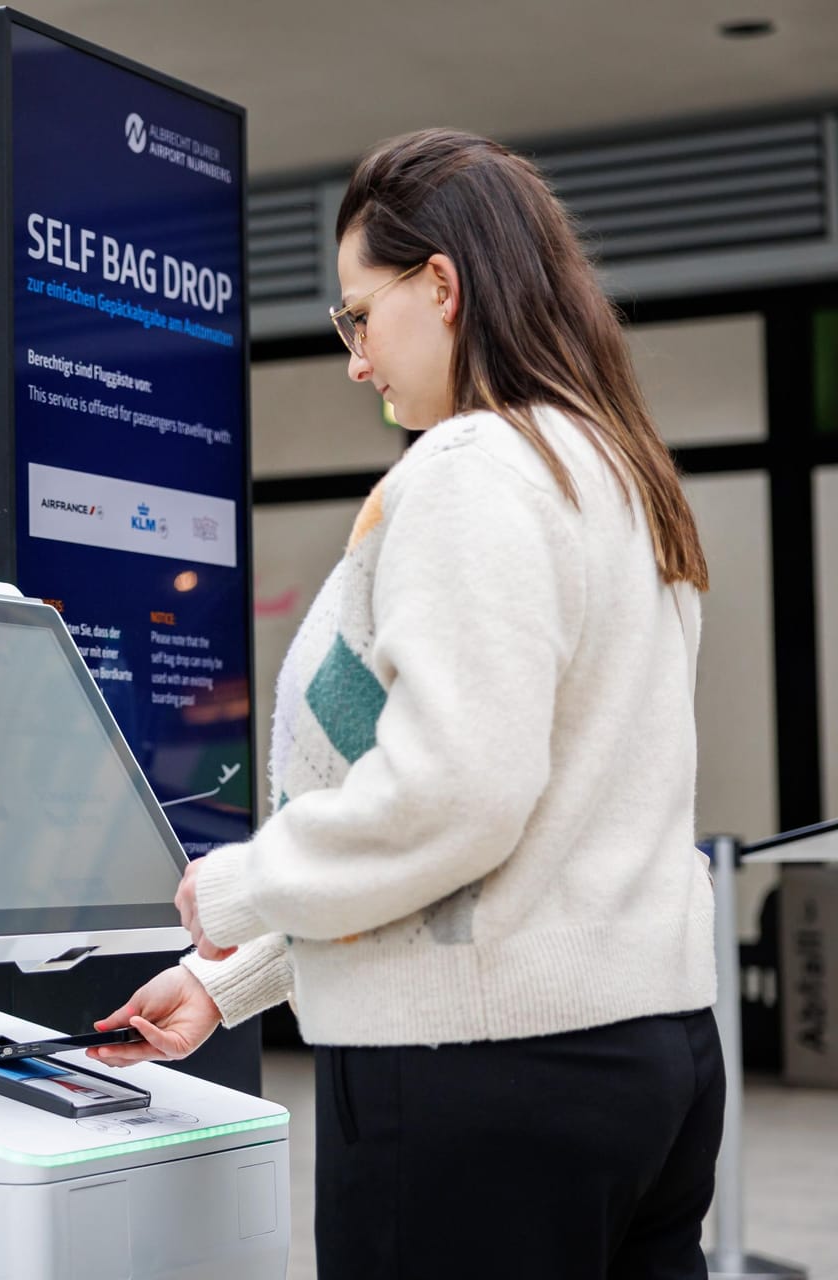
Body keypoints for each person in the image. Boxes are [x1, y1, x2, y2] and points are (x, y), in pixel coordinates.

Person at [90, 128, 725, 1279]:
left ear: (440, 283)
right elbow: (502, 850)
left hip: (483, 1079)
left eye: (357, 316)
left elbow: (453, 794)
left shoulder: (470, 471)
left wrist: (238, 885)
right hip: (653, 1060)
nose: (355, 359)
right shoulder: (618, 474)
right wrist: (228, 981)